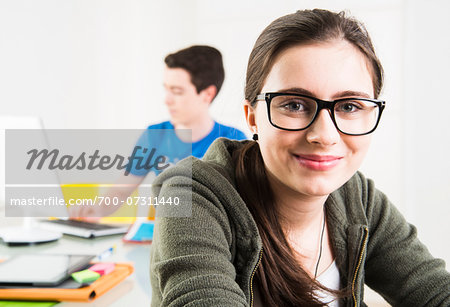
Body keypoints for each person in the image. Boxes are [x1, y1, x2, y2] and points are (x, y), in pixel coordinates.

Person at [149, 9, 450, 307]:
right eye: (294, 105)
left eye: (349, 106)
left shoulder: (358, 199)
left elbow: (435, 291)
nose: (324, 135)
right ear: (252, 117)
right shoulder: (189, 193)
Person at [70, 45, 246, 218]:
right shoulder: (154, 135)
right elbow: (121, 190)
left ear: (207, 94)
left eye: (177, 91)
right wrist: (98, 209)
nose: (167, 100)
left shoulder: (234, 141)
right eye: (166, 89)